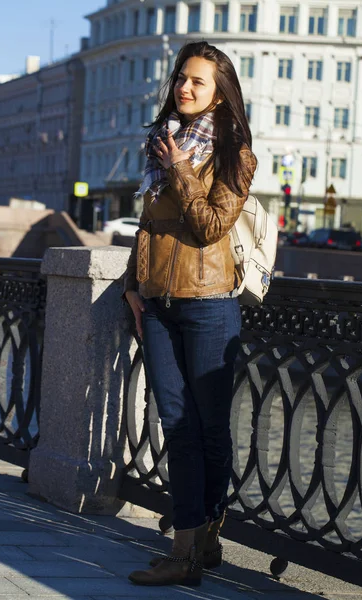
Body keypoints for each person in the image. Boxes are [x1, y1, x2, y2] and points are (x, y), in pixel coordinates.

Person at [123, 41, 257, 587]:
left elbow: (208, 227)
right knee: (176, 426)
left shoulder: (235, 156)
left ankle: (206, 537)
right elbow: (150, 226)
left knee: (209, 431)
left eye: (199, 82)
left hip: (209, 306)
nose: (185, 88)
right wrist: (134, 286)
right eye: (182, 78)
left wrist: (179, 166)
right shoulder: (162, 145)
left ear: (221, 97)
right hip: (156, 305)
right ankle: (185, 549)